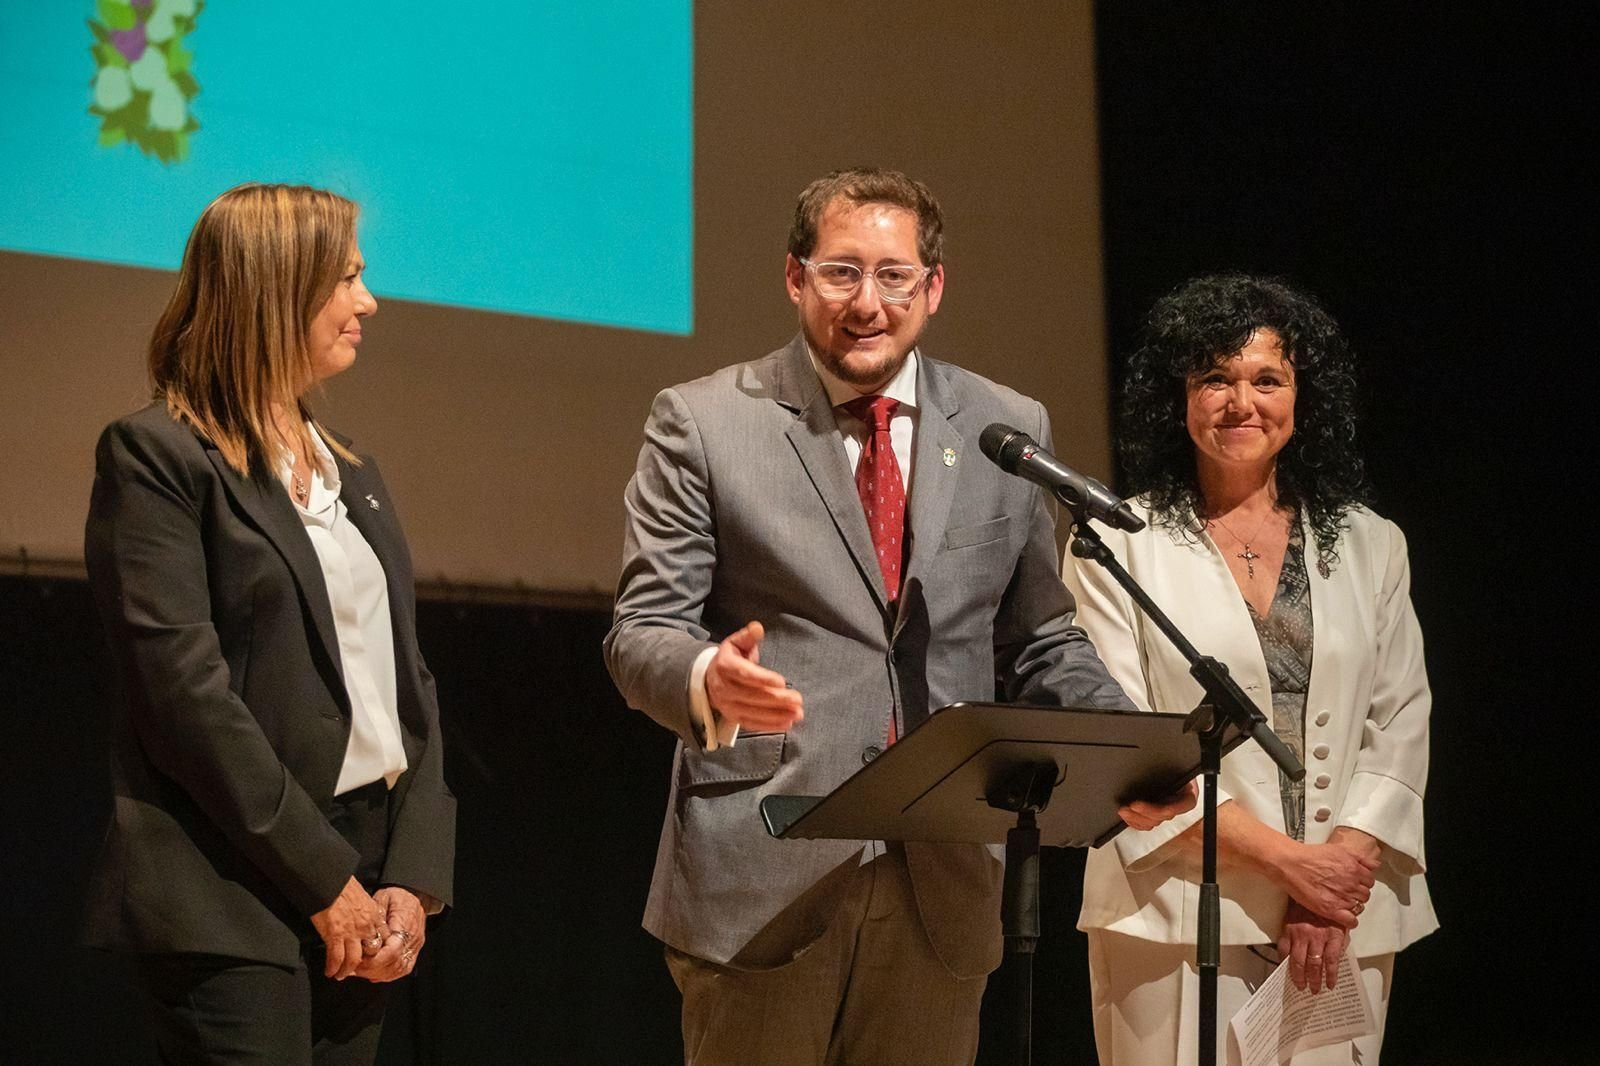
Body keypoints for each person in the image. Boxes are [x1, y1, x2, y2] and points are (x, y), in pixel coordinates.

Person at [604, 166, 1193, 1065]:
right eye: (841, 272)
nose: (867, 301)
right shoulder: (705, 422)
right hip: (767, 870)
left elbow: (1037, 635)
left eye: (893, 275)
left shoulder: (1005, 426)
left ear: (934, 288)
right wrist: (705, 677)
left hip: (942, 881)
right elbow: (643, 628)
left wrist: (1122, 749)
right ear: (795, 277)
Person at [83, 183, 455, 1065]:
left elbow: (408, 683)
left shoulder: (352, 470)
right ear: (275, 287)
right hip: (231, 885)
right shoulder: (160, 457)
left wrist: (412, 875)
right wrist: (324, 878)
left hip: (364, 877)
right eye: (348, 278)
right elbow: (184, 698)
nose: (369, 302)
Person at [1063, 274, 1436, 1064]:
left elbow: (1400, 726)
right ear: (1179, 399)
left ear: (1304, 400)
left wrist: (1333, 882)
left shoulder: (1375, 544)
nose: (1242, 402)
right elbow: (1128, 742)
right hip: (1172, 913)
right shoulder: (1117, 547)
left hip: (1345, 913)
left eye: (1268, 379)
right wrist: (1295, 867)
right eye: (1214, 380)